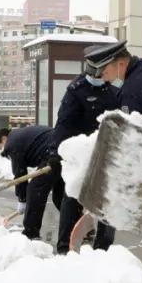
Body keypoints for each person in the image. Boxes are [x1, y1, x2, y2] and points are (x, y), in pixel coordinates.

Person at [47, 50, 122, 253]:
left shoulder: (113, 91)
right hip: (79, 154)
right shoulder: (76, 90)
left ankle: (103, 248)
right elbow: (63, 123)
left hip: (105, 153)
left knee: (107, 199)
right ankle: (65, 248)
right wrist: (55, 152)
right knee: (72, 197)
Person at [0, 125, 62, 240]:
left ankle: (30, 233)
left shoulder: (12, 142)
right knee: (60, 196)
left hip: (52, 152)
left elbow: (20, 174)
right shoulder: (20, 136)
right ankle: (81, 226)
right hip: (62, 149)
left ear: (4, 138)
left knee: (35, 190)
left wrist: (22, 200)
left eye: (0, 147)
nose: (3, 151)